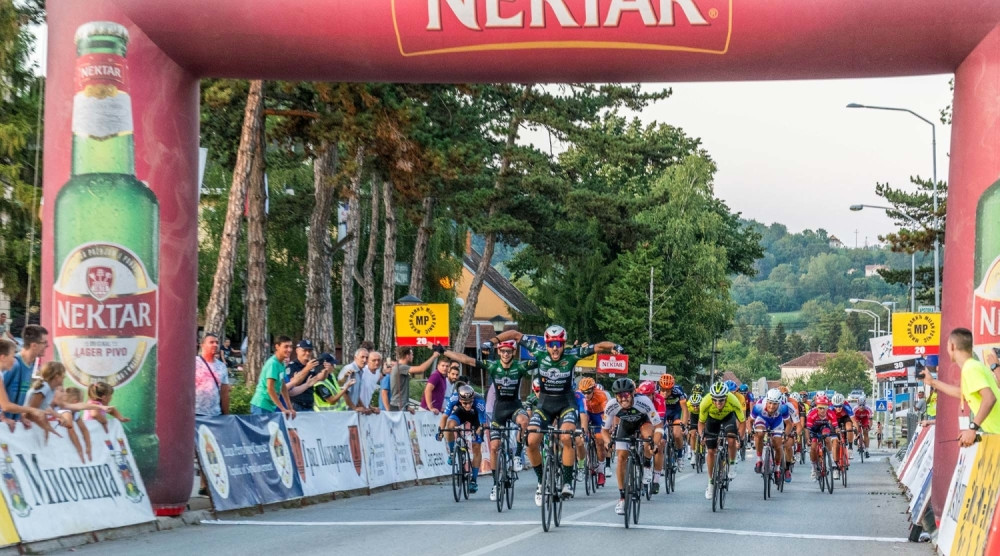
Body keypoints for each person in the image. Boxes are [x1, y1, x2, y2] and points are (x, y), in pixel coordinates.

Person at [493, 325, 621, 504]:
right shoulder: (538, 352)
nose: (555, 348)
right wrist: (492, 342)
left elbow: (598, 347)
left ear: (563, 344)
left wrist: (613, 346)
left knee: (567, 436)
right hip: (544, 405)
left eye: (558, 344)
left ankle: (567, 482)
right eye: (551, 344)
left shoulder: (571, 355)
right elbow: (515, 334)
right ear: (546, 344)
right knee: (530, 441)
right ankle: (541, 481)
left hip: (566, 404)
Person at [440, 340, 533, 502]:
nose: (505, 354)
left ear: (513, 353)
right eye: (503, 351)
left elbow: (543, 361)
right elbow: (466, 360)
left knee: (524, 421)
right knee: (495, 446)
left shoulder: (519, 367)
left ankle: (517, 455)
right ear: (499, 352)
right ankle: (496, 484)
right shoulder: (492, 366)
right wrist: (444, 351)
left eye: (509, 352)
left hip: (515, 407)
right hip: (499, 409)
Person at [925, 327, 1000, 446]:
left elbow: (989, 398)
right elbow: (963, 393)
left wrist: (972, 429)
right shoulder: (973, 366)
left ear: (952, 346)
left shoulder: (970, 368)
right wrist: (933, 382)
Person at [602, 378, 662, 515]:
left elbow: (658, 425)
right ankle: (622, 497)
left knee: (647, 436)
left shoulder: (644, 402)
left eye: (626, 395)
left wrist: (655, 443)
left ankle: (647, 465)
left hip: (644, 422)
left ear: (633, 393)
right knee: (621, 457)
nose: (623, 399)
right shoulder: (611, 405)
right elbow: (604, 430)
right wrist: (607, 442)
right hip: (625, 425)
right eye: (619, 396)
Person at [699, 381, 745, 499]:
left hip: (728, 418)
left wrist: (740, 437)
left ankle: (732, 463)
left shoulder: (733, 400)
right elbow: (701, 422)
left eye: (721, 400)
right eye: (715, 400)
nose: (718, 403)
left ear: (726, 397)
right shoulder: (705, 402)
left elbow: (742, 421)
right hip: (712, 420)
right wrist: (701, 436)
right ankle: (710, 483)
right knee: (710, 451)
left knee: (731, 440)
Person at [438, 384, 488, 494]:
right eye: (465, 403)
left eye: (470, 402)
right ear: (460, 400)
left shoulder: (479, 402)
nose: (468, 405)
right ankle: (452, 453)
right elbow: (444, 417)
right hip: (460, 414)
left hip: (476, 418)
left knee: (476, 447)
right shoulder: (454, 398)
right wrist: (440, 431)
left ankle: (474, 480)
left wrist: (478, 432)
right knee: (449, 426)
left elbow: (483, 424)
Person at [4, 324, 47, 418]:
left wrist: (21, 416)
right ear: (34, 345)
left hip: (13, 426)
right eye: (44, 343)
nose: (47, 346)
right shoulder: (13, 364)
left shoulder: (30, 365)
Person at [249, 336, 297, 419]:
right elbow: (270, 388)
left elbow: (283, 386)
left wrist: (290, 407)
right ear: (277, 347)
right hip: (261, 405)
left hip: (270, 406)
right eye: (286, 346)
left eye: (290, 347)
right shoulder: (273, 364)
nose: (289, 350)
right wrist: (282, 409)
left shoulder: (281, 363)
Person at [751, 389, 794, 480]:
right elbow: (749, 421)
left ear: (779, 403)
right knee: (759, 433)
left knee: (778, 446)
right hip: (763, 420)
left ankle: (777, 469)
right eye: (769, 403)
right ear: (766, 401)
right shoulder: (758, 406)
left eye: (775, 404)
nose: (771, 406)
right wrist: (750, 430)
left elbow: (789, 424)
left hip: (776, 422)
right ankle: (759, 459)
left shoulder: (783, 408)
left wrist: (785, 435)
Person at [580, 376, 609, 486]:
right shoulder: (579, 395)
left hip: (598, 415)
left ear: (593, 389)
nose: (586, 395)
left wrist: (606, 425)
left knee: (599, 441)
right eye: (584, 392)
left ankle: (601, 472)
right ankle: (588, 463)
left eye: (588, 392)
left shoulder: (601, 395)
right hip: (586, 414)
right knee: (582, 438)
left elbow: (606, 412)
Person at [389, 347, 437, 412]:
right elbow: (421, 369)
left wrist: (407, 407)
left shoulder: (400, 368)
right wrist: (434, 356)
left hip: (401, 406)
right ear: (407, 356)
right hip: (397, 407)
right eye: (412, 354)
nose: (413, 356)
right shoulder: (400, 367)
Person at [806, 393, 841, 480]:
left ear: (827, 408)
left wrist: (837, 431)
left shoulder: (830, 413)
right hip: (814, 429)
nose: (822, 410)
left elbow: (835, 426)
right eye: (820, 408)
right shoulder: (812, 414)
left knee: (827, 438)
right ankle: (814, 468)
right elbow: (807, 429)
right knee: (813, 448)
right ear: (817, 407)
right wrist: (807, 439)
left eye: (824, 408)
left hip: (824, 427)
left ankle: (831, 459)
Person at [195, 333, 231, 416]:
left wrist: (226, 416)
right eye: (211, 342)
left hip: (214, 414)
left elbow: (224, 393)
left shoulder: (222, 366)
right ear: (202, 345)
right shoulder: (193, 362)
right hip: (195, 413)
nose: (215, 345)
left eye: (217, 342)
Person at [285, 340, 324, 412]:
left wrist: (325, 370)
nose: (307, 353)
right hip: (296, 405)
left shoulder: (312, 364)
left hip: (309, 403)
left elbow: (319, 378)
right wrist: (307, 369)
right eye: (304, 350)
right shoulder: (292, 366)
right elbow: (295, 383)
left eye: (309, 351)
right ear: (297, 351)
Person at [338, 348, 370, 413]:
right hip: (344, 411)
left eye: (367, 358)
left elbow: (355, 395)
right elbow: (343, 392)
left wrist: (364, 408)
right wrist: (354, 408)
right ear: (355, 358)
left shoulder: (360, 371)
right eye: (362, 357)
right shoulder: (349, 369)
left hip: (351, 412)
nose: (365, 360)